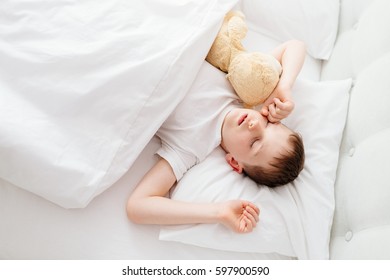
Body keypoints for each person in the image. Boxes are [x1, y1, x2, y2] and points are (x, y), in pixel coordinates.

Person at [127, 40, 306, 233]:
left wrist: (218, 212)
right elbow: (295, 46)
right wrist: (284, 86)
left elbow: (138, 207)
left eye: (255, 143)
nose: (255, 125)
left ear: (235, 163)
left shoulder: (191, 148)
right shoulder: (241, 88)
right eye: (268, 123)